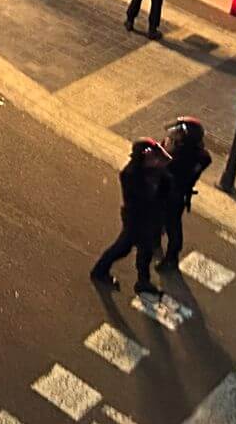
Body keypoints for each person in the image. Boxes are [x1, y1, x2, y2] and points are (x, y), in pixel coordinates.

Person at [91, 137, 172, 296]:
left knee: (145, 251)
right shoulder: (131, 175)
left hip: (148, 220)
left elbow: (165, 187)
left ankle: (143, 282)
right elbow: (146, 198)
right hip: (135, 219)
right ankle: (100, 270)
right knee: (123, 248)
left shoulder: (153, 172)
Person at [159, 116, 213, 269]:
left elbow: (163, 165)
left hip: (172, 194)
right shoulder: (198, 155)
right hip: (174, 192)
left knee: (173, 225)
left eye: (178, 133)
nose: (172, 135)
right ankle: (156, 238)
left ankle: (171, 258)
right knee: (163, 219)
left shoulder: (181, 158)